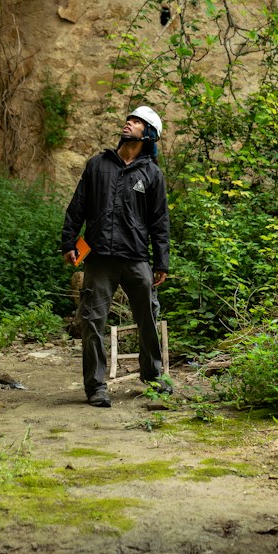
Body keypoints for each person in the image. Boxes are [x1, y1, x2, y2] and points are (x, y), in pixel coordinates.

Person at [62, 105, 170, 408]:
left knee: (148, 316)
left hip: (136, 258)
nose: (129, 122)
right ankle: (96, 387)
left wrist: (161, 262)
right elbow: (77, 206)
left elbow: (159, 221)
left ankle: (153, 376)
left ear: (148, 134)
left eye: (136, 122)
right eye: (129, 119)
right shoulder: (98, 165)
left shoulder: (152, 174)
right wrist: (69, 241)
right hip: (100, 260)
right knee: (92, 321)